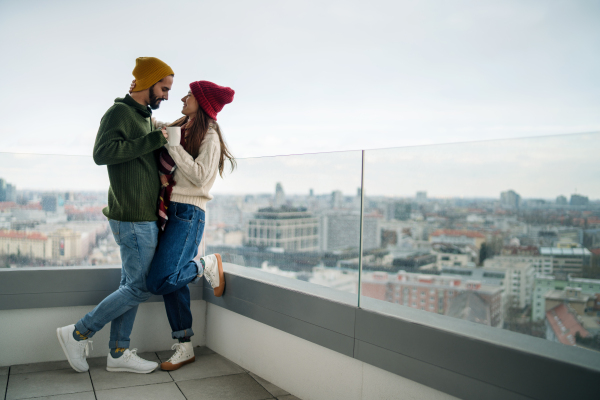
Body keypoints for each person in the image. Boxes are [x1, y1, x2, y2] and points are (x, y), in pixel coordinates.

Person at [56, 57, 174, 374]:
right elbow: (102, 153)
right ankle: (78, 333)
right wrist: (153, 139)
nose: (166, 95)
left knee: (130, 284)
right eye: (164, 88)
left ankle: (118, 353)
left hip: (142, 217)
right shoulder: (119, 113)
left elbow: (140, 155)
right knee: (139, 287)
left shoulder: (144, 117)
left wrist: (161, 131)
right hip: (132, 218)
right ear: (148, 82)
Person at [144, 80, 235, 371]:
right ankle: (184, 346)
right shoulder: (185, 126)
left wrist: (173, 145)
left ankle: (205, 265)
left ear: (203, 102)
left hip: (189, 213)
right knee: (173, 281)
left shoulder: (210, 136)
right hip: (174, 209)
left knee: (158, 280)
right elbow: (155, 125)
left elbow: (198, 176)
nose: (183, 98)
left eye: (190, 95)